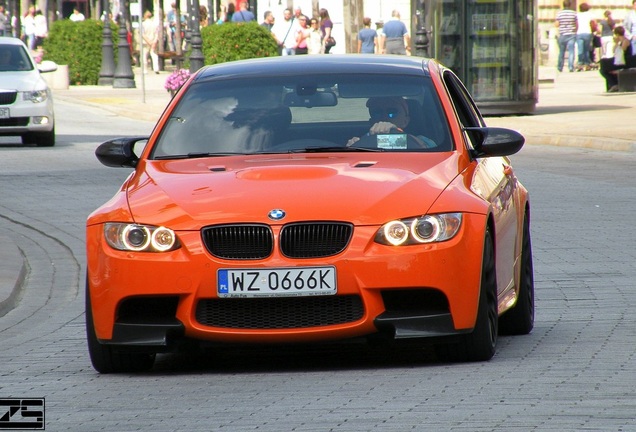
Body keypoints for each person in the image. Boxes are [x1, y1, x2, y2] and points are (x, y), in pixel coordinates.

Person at [347, 97, 436, 149]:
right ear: (371, 121)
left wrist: (396, 132)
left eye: (392, 112)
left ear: (405, 121)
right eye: (377, 112)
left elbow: (431, 154)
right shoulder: (361, 142)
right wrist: (354, 148)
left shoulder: (422, 141)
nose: (384, 117)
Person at [599, 26, 632, 92]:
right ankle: (614, 84)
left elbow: (621, 52)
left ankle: (614, 84)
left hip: (625, 62)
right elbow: (614, 51)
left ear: (617, 34)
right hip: (620, 61)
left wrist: (617, 43)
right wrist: (616, 43)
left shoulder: (626, 41)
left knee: (604, 68)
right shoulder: (620, 42)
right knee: (603, 69)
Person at [555, 0, 577, 73]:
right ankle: (570, 67)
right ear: (570, 5)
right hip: (571, 34)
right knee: (571, 51)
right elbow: (576, 24)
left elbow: (557, 24)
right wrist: (575, 31)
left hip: (563, 34)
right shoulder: (573, 13)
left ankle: (560, 67)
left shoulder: (559, 13)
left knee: (561, 51)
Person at [575, 2, 593, 71]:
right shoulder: (589, 15)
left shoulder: (577, 15)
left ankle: (580, 63)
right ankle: (587, 63)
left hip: (579, 33)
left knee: (580, 49)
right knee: (586, 50)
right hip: (587, 33)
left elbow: (576, 24)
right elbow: (592, 23)